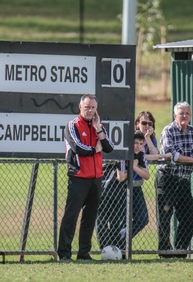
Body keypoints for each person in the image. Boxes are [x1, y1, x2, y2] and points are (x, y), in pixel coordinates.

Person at [58, 94, 114, 261]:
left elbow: (109, 147)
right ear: (80, 107)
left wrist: (99, 130)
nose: (90, 110)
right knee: (71, 216)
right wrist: (95, 150)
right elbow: (77, 147)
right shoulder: (72, 125)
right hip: (78, 178)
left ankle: (83, 254)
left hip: (96, 179)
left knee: (89, 218)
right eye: (87, 107)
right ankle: (64, 254)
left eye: (93, 108)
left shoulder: (99, 126)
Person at [155, 101, 193, 258]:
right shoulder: (168, 131)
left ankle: (179, 252)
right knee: (165, 218)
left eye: (187, 113)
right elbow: (173, 156)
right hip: (167, 179)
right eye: (181, 113)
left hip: (183, 181)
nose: (185, 116)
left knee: (189, 219)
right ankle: (165, 253)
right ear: (175, 115)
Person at [96, 131, 150, 252]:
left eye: (141, 143)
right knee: (104, 220)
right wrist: (133, 166)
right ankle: (106, 250)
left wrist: (134, 166)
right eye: (136, 143)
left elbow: (146, 175)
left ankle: (117, 247)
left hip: (125, 190)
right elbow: (121, 177)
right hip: (108, 189)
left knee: (124, 221)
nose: (138, 146)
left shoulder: (140, 153)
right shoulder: (123, 153)